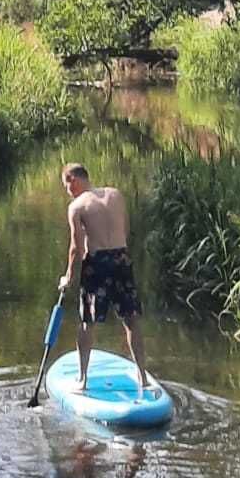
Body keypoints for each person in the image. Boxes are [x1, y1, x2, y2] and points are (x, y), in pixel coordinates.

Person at [58, 163, 151, 394]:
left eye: (66, 186)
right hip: (122, 258)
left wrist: (68, 275)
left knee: (86, 321)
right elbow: (125, 229)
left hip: (97, 262)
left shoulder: (76, 206)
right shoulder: (116, 194)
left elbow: (76, 247)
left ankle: (82, 379)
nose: (67, 192)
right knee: (130, 318)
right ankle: (142, 376)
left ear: (73, 180)